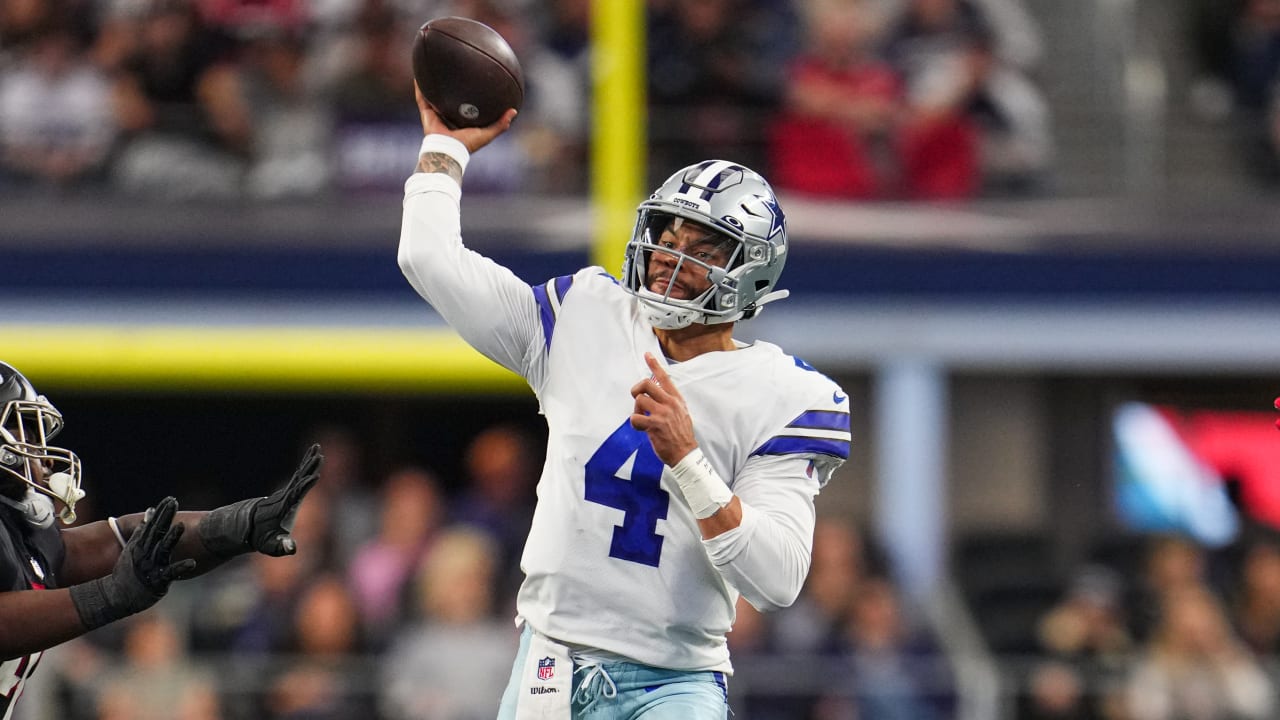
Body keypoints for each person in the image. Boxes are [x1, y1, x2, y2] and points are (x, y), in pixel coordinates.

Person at [397, 80, 851, 719]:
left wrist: (689, 461)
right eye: (668, 235)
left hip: (674, 681)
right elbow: (427, 257)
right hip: (549, 663)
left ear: (752, 271)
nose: (671, 257)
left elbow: (777, 581)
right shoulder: (585, 313)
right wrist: (444, 152)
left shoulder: (786, 395)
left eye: (701, 249)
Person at [0, 360, 322, 718]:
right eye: (20, 429)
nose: (36, 447)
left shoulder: (16, 529)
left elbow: (107, 544)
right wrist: (108, 597)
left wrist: (236, 526)